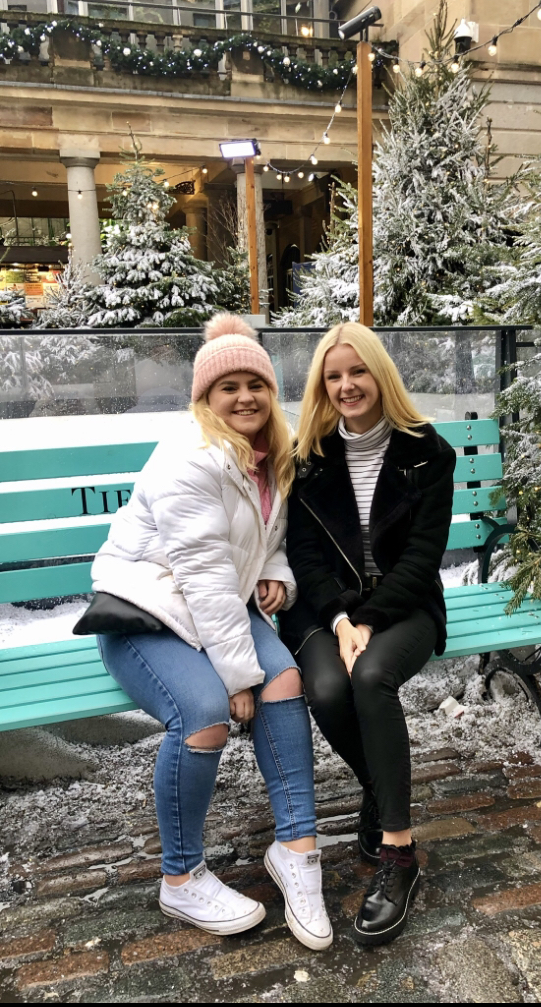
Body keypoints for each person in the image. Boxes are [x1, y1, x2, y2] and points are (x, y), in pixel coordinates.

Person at [90, 314, 331, 949]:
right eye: (229, 387)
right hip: (146, 613)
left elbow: (267, 540)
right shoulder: (192, 458)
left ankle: (297, 849)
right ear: (204, 398)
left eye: (257, 382)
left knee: (284, 680)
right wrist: (234, 678)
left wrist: (277, 574)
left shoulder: (265, 456)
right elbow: (199, 576)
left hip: (215, 608)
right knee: (204, 715)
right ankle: (181, 877)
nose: (246, 396)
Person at [280, 322, 455, 946]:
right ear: (321, 386)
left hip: (403, 606)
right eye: (334, 376)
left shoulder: (426, 454)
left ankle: (398, 852)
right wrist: (337, 620)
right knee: (327, 689)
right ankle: (382, 796)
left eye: (358, 372)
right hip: (323, 612)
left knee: (372, 675)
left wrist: (368, 621)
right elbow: (304, 555)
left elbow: (421, 557)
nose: (347, 385)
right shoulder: (308, 457)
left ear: (380, 375)